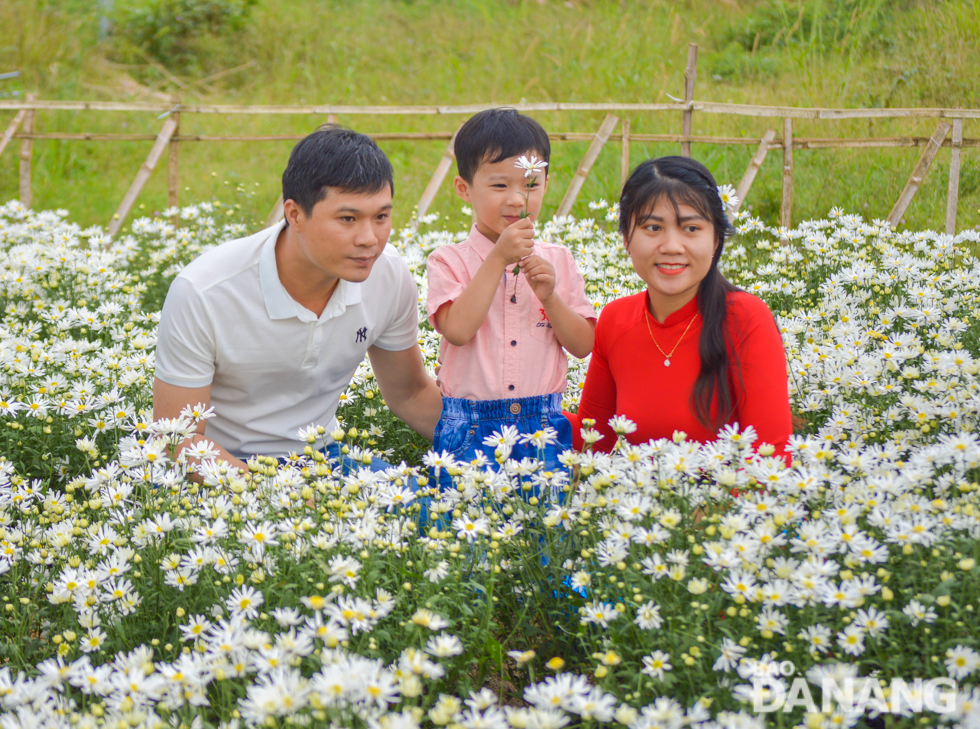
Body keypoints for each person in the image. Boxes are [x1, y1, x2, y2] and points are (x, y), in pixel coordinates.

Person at [153, 125, 443, 472]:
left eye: (381, 216)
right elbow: (176, 441)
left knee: (436, 517)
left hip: (324, 458)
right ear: (294, 214)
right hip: (222, 468)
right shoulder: (205, 291)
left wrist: (498, 463)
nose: (369, 239)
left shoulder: (389, 274)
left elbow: (410, 395)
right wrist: (276, 496)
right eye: (348, 219)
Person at [568, 156, 792, 458]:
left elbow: (771, 458)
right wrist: (523, 414)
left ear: (715, 239)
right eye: (652, 227)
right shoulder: (616, 320)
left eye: (691, 228)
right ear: (625, 238)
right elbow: (594, 442)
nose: (672, 246)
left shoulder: (746, 318)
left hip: (730, 504)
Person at [425, 108, 596, 487]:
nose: (518, 199)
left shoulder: (557, 261)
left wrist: (550, 297)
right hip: (469, 426)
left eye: (531, 185)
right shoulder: (448, 261)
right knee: (468, 537)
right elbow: (457, 329)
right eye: (500, 186)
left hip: (543, 425)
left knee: (543, 535)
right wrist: (499, 257)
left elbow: (584, 344)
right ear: (464, 189)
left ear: (547, 184)